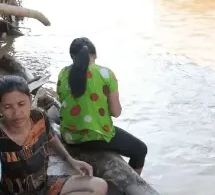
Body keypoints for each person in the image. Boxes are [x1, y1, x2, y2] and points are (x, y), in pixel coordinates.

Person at [57, 38, 148, 175]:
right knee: (140, 149)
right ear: (95, 55)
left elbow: (63, 101)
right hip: (95, 136)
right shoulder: (106, 74)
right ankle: (133, 186)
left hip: (69, 137)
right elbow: (116, 112)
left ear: (72, 57)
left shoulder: (63, 73)